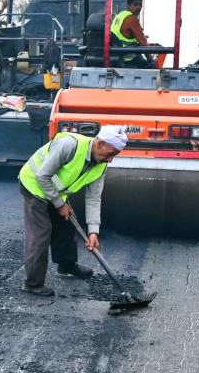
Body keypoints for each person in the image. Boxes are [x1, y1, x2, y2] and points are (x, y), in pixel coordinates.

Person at [18, 125, 128, 296]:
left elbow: (93, 198)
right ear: (100, 144)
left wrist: (93, 231)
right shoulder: (70, 145)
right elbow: (42, 176)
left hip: (56, 190)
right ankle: (32, 283)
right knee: (41, 232)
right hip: (34, 185)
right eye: (111, 153)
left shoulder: (101, 165)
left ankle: (66, 265)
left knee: (67, 223)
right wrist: (59, 204)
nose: (111, 160)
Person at [110, 0, 155, 69]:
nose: (139, 7)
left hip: (117, 57)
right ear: (128, 5)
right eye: (135, 4)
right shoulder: (132, 19)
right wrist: (151, 60)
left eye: (140, 5)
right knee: (152, 67)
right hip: (128, 59)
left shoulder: (120, 15)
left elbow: (125, 38)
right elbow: (143, 42)